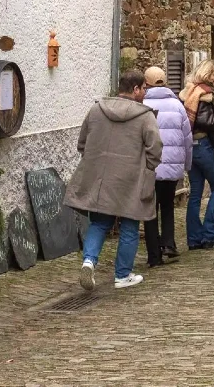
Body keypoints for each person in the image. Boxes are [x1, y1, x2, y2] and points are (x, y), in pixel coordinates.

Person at [65, 70, 162, 290]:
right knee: (130, 224)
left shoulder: (96, 110)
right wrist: (148, 167)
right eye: (143, 89)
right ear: (135, 89)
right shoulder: (145, 116)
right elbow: (155, 147)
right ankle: (122, 275)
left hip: (101, 177)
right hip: (132, 178)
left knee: (99, 223)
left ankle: (89, 261)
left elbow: (82, 142)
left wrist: (95, 161)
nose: (145, 93)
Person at [142, 66, 192, 267]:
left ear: (146, 83)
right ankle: (169, 243)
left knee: (150, 209)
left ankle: (154, 254)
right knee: (168, 205)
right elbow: (187, 139)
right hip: (172, 167)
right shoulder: (177, 105)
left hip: (149, 166)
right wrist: (186, 164)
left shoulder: (143, 105)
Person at [180, 59, 214, 251]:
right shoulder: (205, 95)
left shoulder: (189, 92)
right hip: (202, 145)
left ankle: (194, 238)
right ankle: (211, 234)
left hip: (191, 146)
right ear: (205, 74)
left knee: (195, 192)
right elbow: (205, 122)